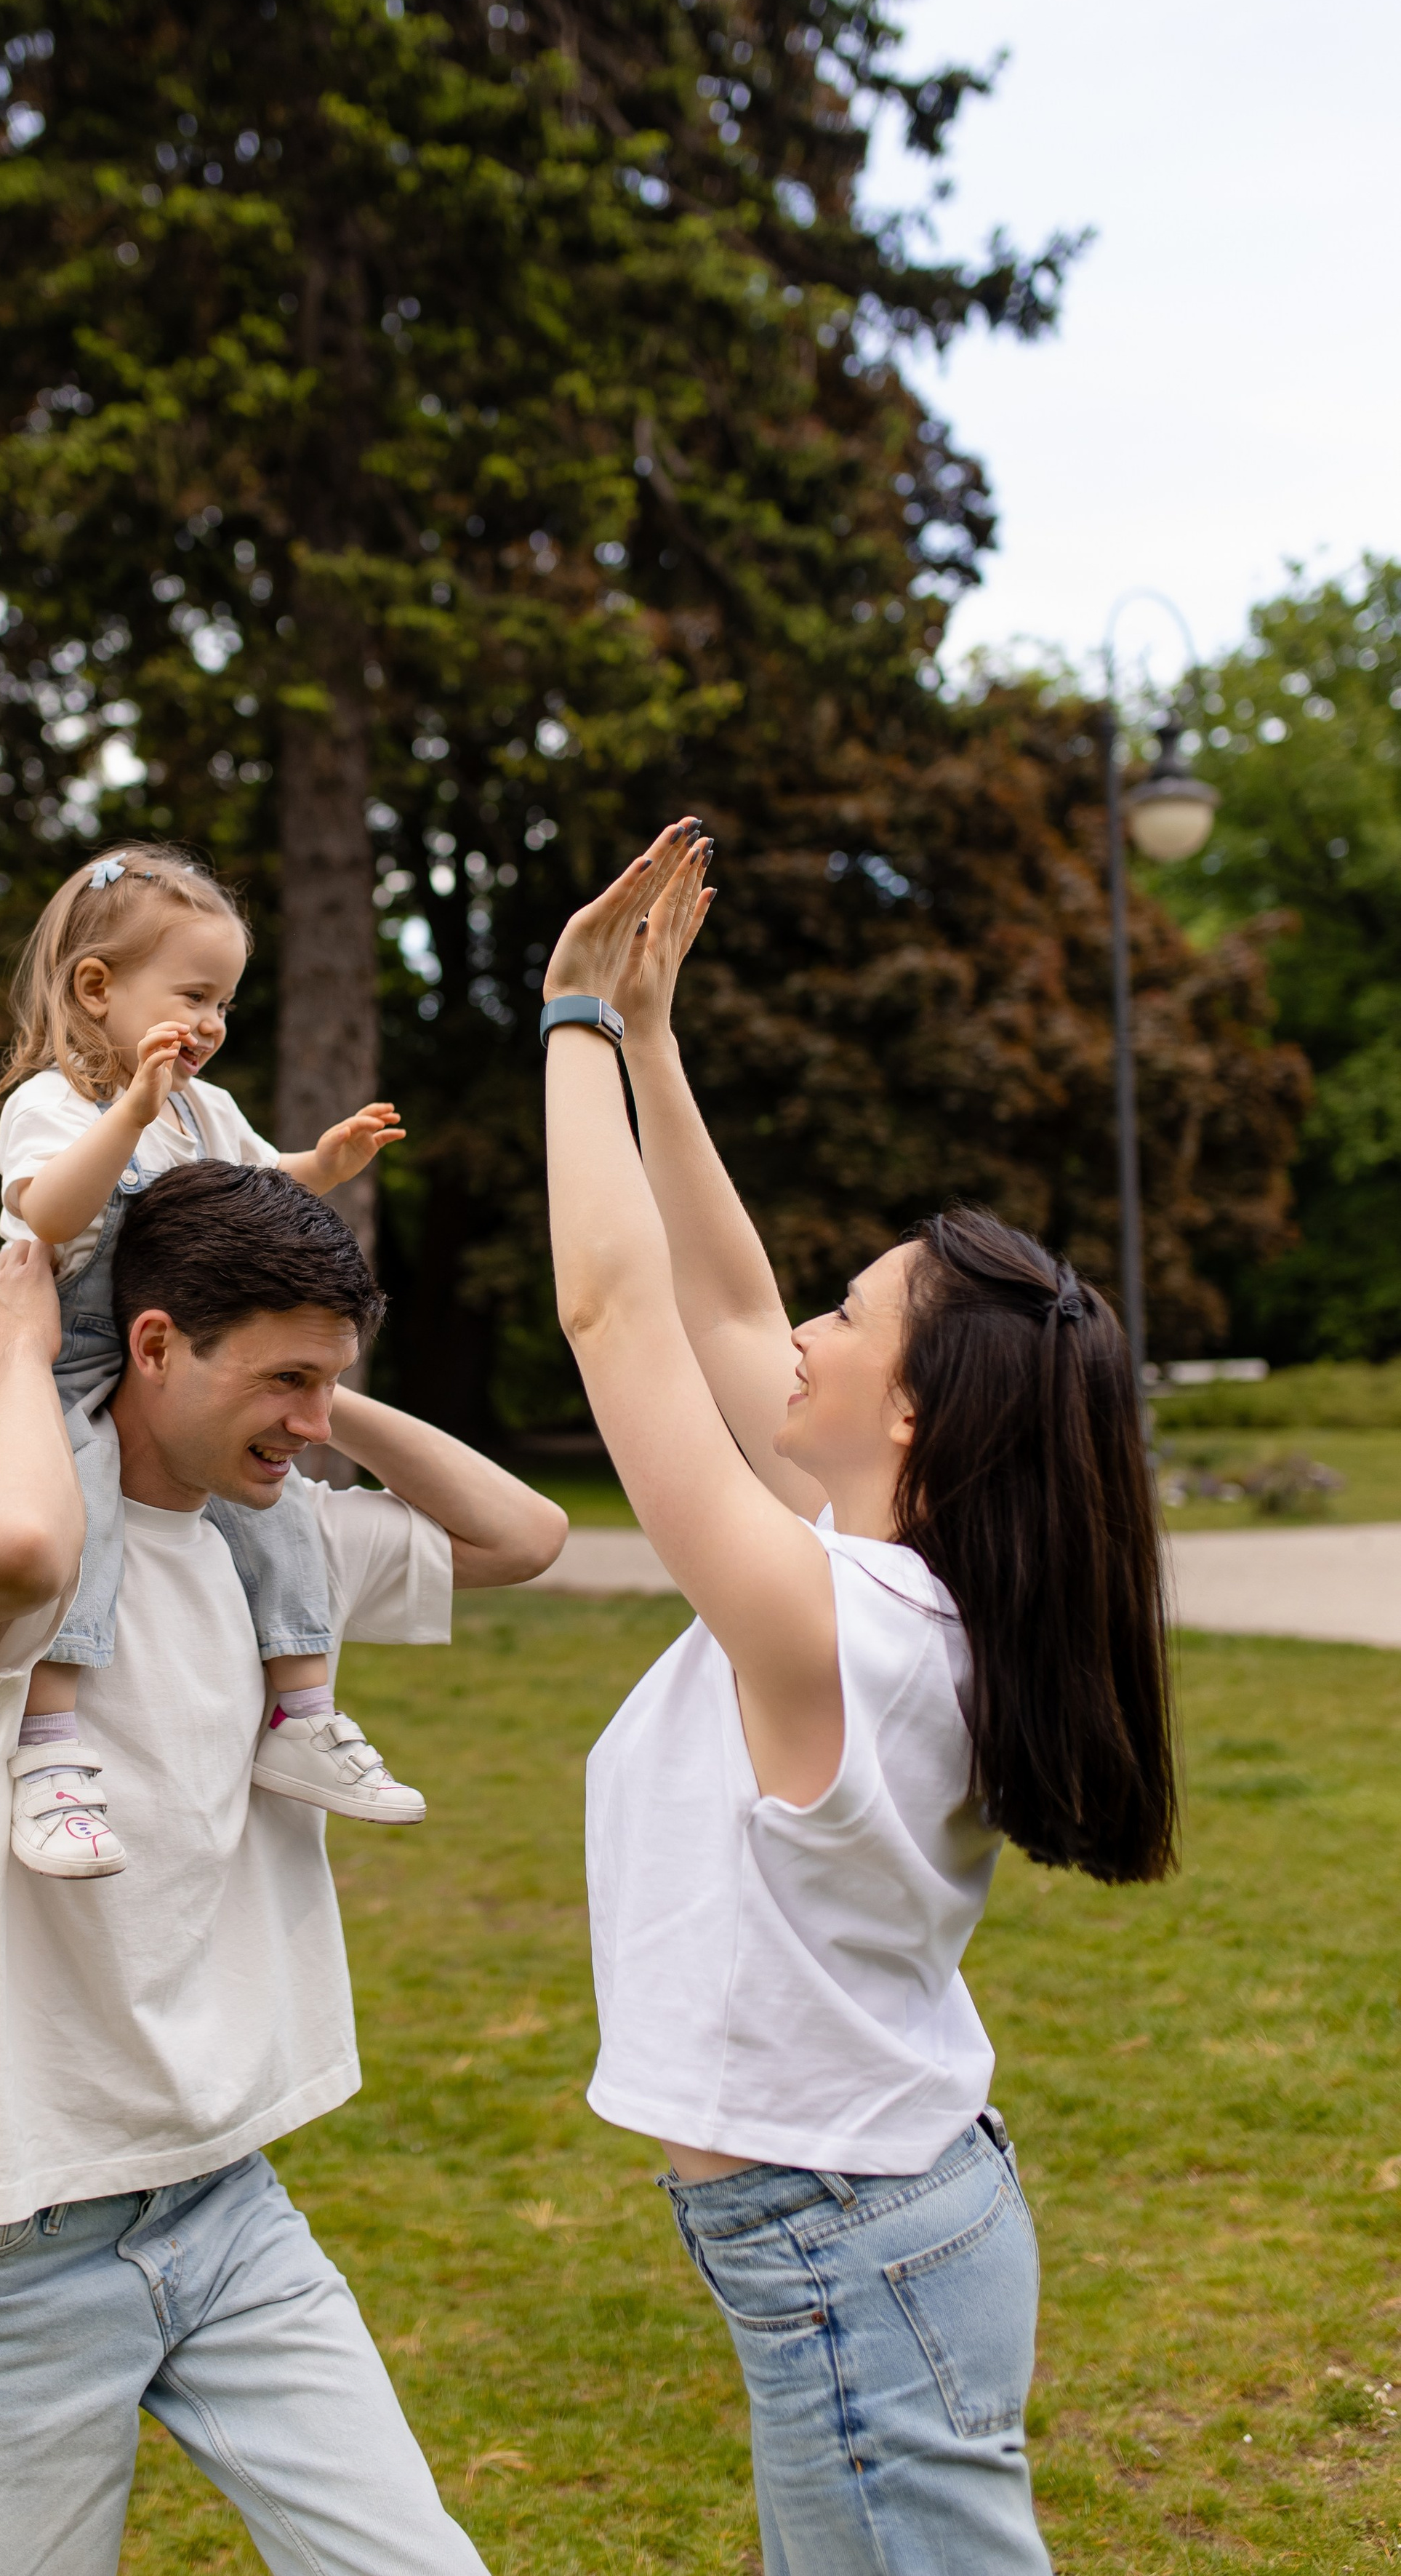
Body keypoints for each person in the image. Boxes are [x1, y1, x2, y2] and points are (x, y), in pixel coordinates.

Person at [541, 820, 1178, 2576]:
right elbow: (724, 1300)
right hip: (872, 2224)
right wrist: (659, 1049)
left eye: (851, 1315)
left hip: (849, 2243)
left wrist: (570, 1030)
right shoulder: (896, 1584)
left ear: (906, 1420)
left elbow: (620, 1314)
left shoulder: (834, 1624)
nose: (802, 1328)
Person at [0, 1161, 566, 2574]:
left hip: (224, 2210)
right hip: (0, 2236)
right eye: (282, 1382)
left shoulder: (274, 1544)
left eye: (329, 1384)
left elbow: (520, 1537)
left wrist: (301, 1398)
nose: (311, 1431)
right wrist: (14, 1356)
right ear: (155, 1341)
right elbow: (7, 1546)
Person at [0, 839, 420, 1878]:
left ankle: (301, 1714)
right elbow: (49, 1211)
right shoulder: (54, 1106)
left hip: (180, 1375)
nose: (214, 1024)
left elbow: (259, 1187)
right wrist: (126, 1113)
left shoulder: (202, 1110)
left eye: (226, 1003)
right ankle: (47, 1755)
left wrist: (324, 1164)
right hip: (68, 1363)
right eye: (197, 995)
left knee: (284, 1507)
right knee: (68, 1519)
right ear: (97, 988)